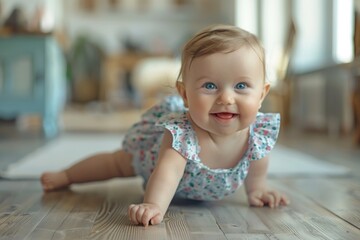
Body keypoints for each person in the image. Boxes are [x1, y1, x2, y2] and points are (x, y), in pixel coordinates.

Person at [41, 24, 290, 227]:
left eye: (241, 86)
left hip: (200, 191)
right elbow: (169, 172)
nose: (226, 98)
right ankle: (67, 175)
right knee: (114, 163)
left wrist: (257, 190)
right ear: (184, 94)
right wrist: (154, 205)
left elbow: (257, 165)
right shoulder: (183, 134)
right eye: (210, 86)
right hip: (151, 165)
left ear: (262, 95)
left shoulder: (258, 134)